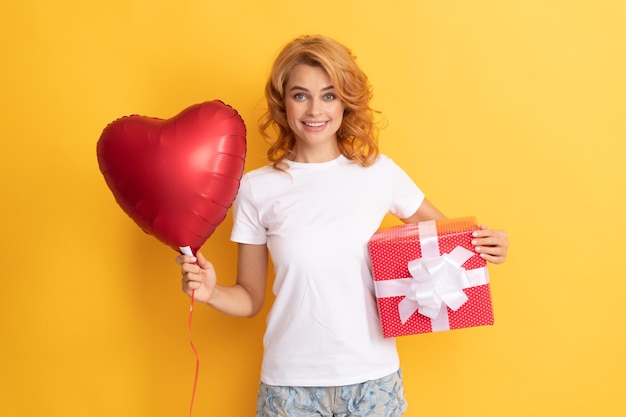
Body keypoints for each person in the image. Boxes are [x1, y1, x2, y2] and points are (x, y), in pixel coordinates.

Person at [177, 35, 509, 417]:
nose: (315, 109)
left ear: (345, 102)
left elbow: (451, 243)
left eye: (329, 95)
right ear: (283, 103)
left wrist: (486, 246)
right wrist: (211, 291)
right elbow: (251, 298)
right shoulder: (256, 189)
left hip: (373, 384)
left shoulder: (380, 174)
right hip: (290, 389)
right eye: (301, 95)